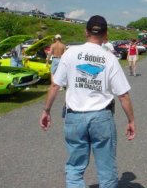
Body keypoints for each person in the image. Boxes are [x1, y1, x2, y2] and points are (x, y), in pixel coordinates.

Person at [39, 15, 136, 188]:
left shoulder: (71, 53)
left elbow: (55, 85)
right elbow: (123, 95)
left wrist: (46, 111)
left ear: (86, 32)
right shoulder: (109, 58)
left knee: (75, 169)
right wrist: (131, 120)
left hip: (74, 117)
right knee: (106, 170)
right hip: (102, 117)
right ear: (106, 35)